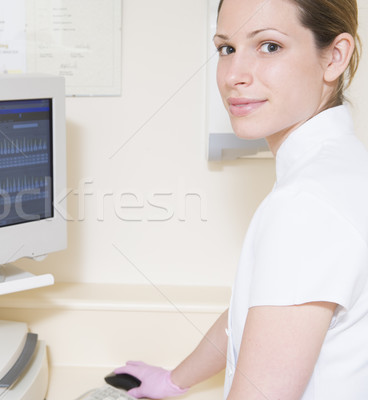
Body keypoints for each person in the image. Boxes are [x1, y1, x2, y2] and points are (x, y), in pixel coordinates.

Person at [115, 0, 368, 399]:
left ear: (335, 57)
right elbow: (262, 314)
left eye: (269, 46)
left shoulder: (306, 205)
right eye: (226, 49)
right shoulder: (345, 166)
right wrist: (173, 381)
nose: (234, 75)